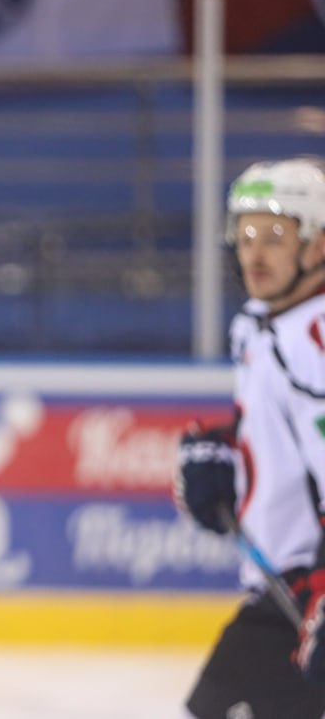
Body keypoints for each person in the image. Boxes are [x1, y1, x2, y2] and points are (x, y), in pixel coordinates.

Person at [174, 156, 325, 718]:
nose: (254, 254)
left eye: (275, 238)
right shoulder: (262, 324)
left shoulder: (314, 338)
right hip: (285, 594)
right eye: (245, 236)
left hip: (308, 596)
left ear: (317, 245)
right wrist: (230, 451)